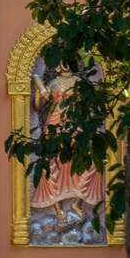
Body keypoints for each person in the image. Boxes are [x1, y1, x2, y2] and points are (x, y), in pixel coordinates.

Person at [29, 63, 105, 221]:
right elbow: (37, 107)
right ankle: (58, 210)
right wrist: (39, 93)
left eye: (70, 59)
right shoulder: (53, 83)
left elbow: (90, 107)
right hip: (55, 128)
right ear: (57, 65)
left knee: (90, 164)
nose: (66, 62)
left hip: (77, 127)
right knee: (50, 167)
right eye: (63, 59)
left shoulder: (80, 83)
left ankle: (77, 203)